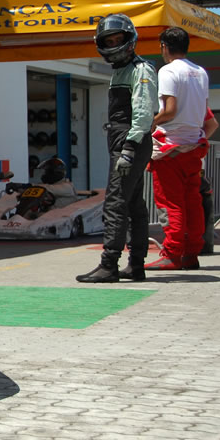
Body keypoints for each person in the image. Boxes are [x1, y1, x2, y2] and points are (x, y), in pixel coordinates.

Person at [77, 14, 157, 283]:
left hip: (129, 142)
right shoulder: (121, 71)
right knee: (133, 203)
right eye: (108, 41)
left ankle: (109, 264)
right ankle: (136, 265)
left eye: (117, 40)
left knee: (115, 202)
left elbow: (144, 112)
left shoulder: (140, 69)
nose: (113, 44)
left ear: (129, 39)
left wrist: (130, 148)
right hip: (123, 140)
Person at [145, 27, 210, 271]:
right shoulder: (200, 72)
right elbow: (205, 112)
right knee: (192, 202)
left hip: (170, 147)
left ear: (164, 46)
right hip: (194, 145)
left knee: (171, 203)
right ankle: (191, 254)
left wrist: (152, 121)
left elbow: (170, 110)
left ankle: (171, 254)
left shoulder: (168, 70)